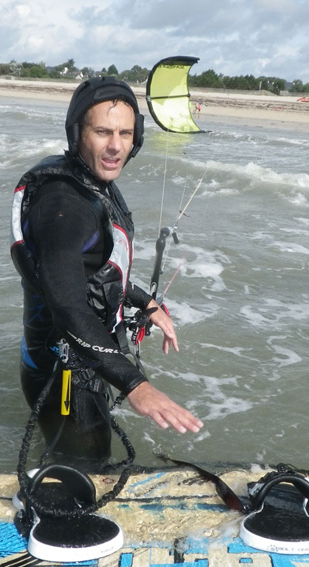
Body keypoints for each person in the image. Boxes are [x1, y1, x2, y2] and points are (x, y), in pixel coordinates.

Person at [11, 77, 203, 469]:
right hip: (64, 375)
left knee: (81, 462)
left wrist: (144, 302)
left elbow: (93, 271)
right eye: (102, 132)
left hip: (85, 358)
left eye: (125, 133)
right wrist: (136, 385)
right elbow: (66, 303)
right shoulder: (64, 206)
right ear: (77, 133)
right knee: (87, 469)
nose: (116, 145)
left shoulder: (89, 182)